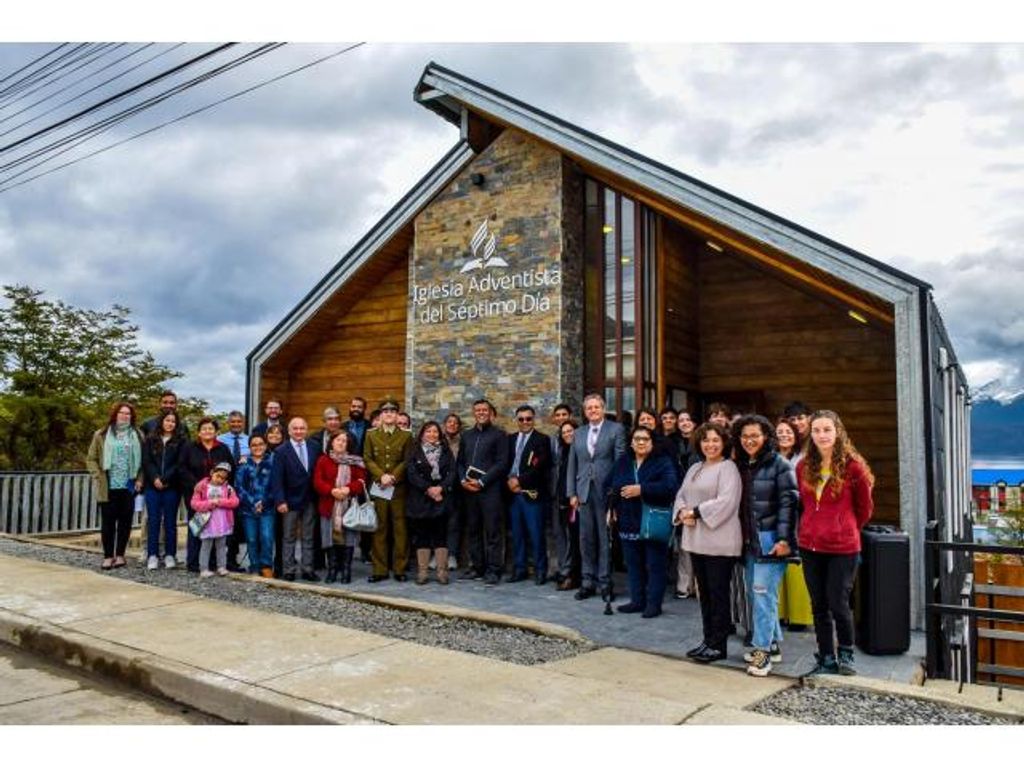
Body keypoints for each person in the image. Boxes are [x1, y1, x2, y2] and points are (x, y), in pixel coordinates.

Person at [796, 410, 874, 676]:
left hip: (842, 547)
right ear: (811, 434)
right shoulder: (803, 466)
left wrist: (843, 527)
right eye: (816, 430)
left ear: (838, 431)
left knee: (838, 602)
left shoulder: (854, 467)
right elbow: (804, 504)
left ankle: (846, 653)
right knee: (818, 605)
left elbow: (864, 509)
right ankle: (826, 656)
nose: (822, 435)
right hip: (810, 546)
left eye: (827, 429)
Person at [734, 415, 799, 677]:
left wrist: (784, 540)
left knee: (763, 596)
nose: (749, 440)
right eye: (744, 436)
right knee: (757, 595)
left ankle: (762, 654)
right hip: (750, 542)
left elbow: (789, 504)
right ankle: (772, 644)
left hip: (771, 540)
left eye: (755, 435)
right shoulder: (742, 465)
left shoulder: (780, 464)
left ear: (766, 437)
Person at [674, 421, 742, 663]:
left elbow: (727, 502)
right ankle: (707, 640)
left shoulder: (728, 468)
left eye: (715, 440)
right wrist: (681, 511)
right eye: (705, 440)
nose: (710, 444)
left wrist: (694, 512)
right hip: (696, 540)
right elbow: (681, 494)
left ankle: (718, 645)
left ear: (724, 443)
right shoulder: (695, 467)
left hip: (719, 543)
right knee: (705, 595)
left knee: (718, 595)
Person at [608, 426, 680, 619]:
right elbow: (611, 484)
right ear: (631, 443)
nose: (641, 442)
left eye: (645, 439)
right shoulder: (623, 461)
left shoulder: (662, 461)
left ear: (652, 442)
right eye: (637, 439)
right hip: (627, 519)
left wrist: (642, 489)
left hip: (652, 520)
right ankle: (637, 601)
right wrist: (611, 507)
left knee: (655, 565)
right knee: (633, 564)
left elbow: (671, 486)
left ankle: (654, 604)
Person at [567, 393, 627, 600]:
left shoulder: (616, 429)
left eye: (596, 407)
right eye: (589, 408)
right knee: (586, 539)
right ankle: (587, 581)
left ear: (603, 408)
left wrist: (616, 492)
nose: (593, 410)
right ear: (585, 412)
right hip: (583, 491)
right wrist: (571, 493)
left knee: (604, 538)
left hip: (605, 491)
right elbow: (572, 464)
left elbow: (620, 462)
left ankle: (605, 582)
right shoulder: (578, 433)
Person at [85, 402, 145, 570]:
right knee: (108, 523)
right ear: (115, 414)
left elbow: (143, 461)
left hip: (129, 485)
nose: (125, 416)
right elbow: (91, 459)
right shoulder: (101, 434)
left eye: (128, 413)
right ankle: (107, 556)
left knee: (125, 522)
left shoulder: (138, 435)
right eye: (121, 412)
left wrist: (140, 479)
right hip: (108, 485)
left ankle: (120, 555)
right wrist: (97, 475)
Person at [457, 399, 510, 585]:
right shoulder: (467, 436)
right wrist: (463, 480)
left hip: (490, 490)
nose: (481, 413)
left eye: (484, 410)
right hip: (469, 491)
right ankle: (477, 567)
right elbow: (460, 462)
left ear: (491, 413)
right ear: (474, 413)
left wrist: (482, 481)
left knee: (493, 531)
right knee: (473, 530)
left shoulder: (499, 435)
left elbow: (502, 463)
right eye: (478, 410)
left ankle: (494, 569)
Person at [364, 400, 413, 582]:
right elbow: (367, 458)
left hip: (398, 488)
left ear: (397, 414)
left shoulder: (406, 435)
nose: (389, 414)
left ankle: (400, 568)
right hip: (379, 488)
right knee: (380, 528)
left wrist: (392, 476)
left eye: (393, 411)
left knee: (400, 529)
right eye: (385, 411)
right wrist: (381, 476)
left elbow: (407, 459)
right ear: (381, 415)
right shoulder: (371, 434)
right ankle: (380, 569)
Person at [179, 417, 234, 573]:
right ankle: (194, 563)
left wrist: (226, 489)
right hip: (197, 495)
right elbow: (182, 468)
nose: (207, 431)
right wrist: (196, 485)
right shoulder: (190, 448)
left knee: (216, 529)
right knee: (197, 527)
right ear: (199, 432)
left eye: (210, 428)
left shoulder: (223, 448)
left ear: (216, 432)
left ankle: (213, 563)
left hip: (218, 497)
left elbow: (231, 469)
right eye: (204, 429)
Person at [270, 417, 322, 582]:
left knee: (308, 536)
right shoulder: (281, 451)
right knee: (289, 537)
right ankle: (289, 570)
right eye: (295, 428)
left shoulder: (315, 447)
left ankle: (308, 569)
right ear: (289, 431)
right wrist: (280, 501)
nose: (299, 431)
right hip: (289, 501)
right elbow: (276, 479)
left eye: (302, 428)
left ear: (306, 430)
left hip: (310, 499)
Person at [406, 421, 457, 585]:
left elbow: (452, 472)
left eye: (435, 432)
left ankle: (442, 572)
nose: (432, 434)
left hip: (441, 498)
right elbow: (411, 473)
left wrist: (440, 488)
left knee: (440, 535)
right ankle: (423, 572)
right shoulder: (414, 451)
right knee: (422, 536)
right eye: (428, 431)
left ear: (439, 435)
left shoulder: (446, 451)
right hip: (421, 498)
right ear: (422, 434)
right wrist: (428, 489)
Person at [313, 430, 367, 584]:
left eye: (344, 441)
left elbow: (361, 480)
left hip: (349, 506)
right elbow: (317, 481)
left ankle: (346, 570)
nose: (341, 443)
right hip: (328, 505)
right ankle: (332, 569)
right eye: (338, 440)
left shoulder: (355, 461)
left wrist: (348, 489)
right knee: (329, 537)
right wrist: (332, 491)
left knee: (348, 537)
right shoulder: (323, 460)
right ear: (332, 442)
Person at [506, 404, 552, 585]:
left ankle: (540, 570)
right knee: (517, 534)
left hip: (531, 494)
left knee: (536, 534)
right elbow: (504, 463)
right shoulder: (510, 439)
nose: (525, 422)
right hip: (512, 495)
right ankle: (520, 569)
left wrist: (519, 481)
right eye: (521, 419)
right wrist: (509, 482)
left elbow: (540, 467)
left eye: (528, 419)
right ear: (516, 420)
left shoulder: (542, 440)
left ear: (534, 420)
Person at [141, 410, 185, 570]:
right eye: (167, 420)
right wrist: (155, 478)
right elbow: (147, 461)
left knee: (170, 521)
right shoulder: (150, 439)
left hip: (172, 486)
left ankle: (170, 554)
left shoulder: (181, 441)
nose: (170, 424)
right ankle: (152, 555)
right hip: (152, 486)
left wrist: (165, 479)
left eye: (173, 421)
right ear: (161, 421)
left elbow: (179, 463)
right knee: (153, 520)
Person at [235, 433, 277, 577]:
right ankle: (254, 565)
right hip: (248, 509)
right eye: (254, 445)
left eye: (260, 444)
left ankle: (266, 566)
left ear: (265, 445)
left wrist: (263, 502)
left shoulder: (273, 463)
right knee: (251, 539)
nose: (257, 447)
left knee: (266, 537)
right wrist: (253, 502)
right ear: (249, 447)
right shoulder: (244, 464)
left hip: (268, 508)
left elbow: (276, 486)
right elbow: (239, 487)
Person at [190, 462, 240, 577]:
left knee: (221, 546)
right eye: (218, 476)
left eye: (223, 478)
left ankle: (221, 567)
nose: (220, 480)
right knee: (206, 546)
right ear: (212, 473)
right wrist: (209, 504)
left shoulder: (228, 488)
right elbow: (194, 503)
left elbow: (235, 502)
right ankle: (203, 568)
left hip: (222, 522)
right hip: (207, 522)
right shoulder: (201, 487)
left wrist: (221, 502)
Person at [218, 410, 251, 571]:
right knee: (224, 522)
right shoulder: (220, 440)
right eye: (233, 421)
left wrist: (247, 459)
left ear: (243, 423)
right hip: (225, 486)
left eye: (239, 421)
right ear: (228, 423)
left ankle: (233, 558)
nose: (236, 424)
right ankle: (220, 559)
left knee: (238, 524)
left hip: (244, 487)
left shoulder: (249, 440)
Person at [552, 419, 581, 591]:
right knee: (568, 539)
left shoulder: (580, 451)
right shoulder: (563, 452)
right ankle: (568, 573)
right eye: (564, 433)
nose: (567, 434)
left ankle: (573, 576)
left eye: (570, 431)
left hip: (576, 502)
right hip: (563, 501)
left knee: (575, 541)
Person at [442, 412, 465, 570]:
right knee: (438, 523)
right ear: (444, 425)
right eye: (449, 422)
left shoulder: (463, 442)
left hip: (456, 487)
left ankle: (452, 555)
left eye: (455, 423)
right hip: (439, 487)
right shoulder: (438, 440)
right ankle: (438, 554)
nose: (452, 425)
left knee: (454, 522)